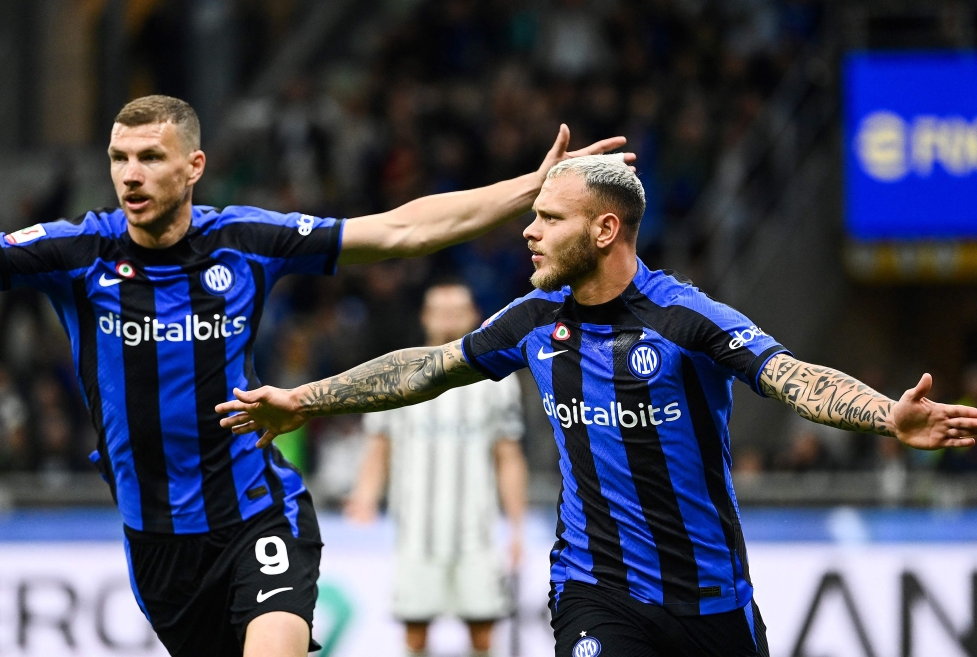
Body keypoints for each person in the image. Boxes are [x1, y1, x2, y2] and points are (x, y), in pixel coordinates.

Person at [217, 155, 977, 657]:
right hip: (596, 594)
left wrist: (886, 414)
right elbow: (429, 367)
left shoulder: (686, 318)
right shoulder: (529, 320)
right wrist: (306, 400)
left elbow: (790, 377)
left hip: (712, 600)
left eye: (549, 218)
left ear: (605, 228)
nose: (529, 231)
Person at [0, 95, 632, 657]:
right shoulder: (79, 252)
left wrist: (530, 188)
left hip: (256, 512)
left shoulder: (241, 240)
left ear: (193, 167)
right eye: (119, 158)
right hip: (157, 540)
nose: (131, 175)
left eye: (150, 157)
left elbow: (400, 231)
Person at [344, 281, 527, 657]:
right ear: (425, 316)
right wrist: (364, 497)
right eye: (440, 310)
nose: (447, 318)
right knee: (414, 633)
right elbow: (379, 446)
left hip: (475, 533)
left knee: (482, 633)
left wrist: (517, 527)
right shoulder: (397, 376)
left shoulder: (497, 382)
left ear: (472, 316)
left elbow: (508, 456)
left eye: (456, 310)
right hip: (417, 532)